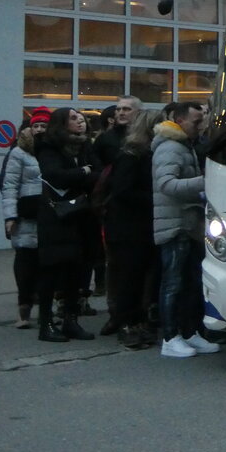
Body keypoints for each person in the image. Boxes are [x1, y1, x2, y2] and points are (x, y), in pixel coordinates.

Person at [152, 102, 219, 358]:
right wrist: (205, 181)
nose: (200, 126)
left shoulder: (183, 145)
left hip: (188, 224)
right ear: (179, 121)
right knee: (173, 283)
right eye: (196, 121)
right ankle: (170, 337)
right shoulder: (170, 147)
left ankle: (190, 332)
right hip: (175, 225)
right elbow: (167, 185)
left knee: (191, 282)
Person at [34, 107, 100, 342]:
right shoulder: (48, 146)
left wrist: (82, 173)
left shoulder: (85, 146)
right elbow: (55, 175)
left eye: (81, 119)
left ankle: (71, 320)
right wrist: (83, 171)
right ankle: (46, 323)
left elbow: (99, 173)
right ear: (61, 124)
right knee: (51, 271)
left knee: (77, 271)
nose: (80, 122)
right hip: (56, 217)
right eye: (73, 119)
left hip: (81, 215)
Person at [106, 109, 160, 350]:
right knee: (129, 278)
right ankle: (127, 324)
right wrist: (155, 199)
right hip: (128, 228)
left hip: (141, 226)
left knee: (140, 278)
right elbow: (122, 191)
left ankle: (137, 321)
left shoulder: (147, 154)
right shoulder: (131, 156)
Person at [91, 94, 142, 332]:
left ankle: (136, 314)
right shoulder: (106, 140)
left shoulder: (144, 139)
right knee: (115, 265)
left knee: (135, 267)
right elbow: (96, 169)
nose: (121, 113)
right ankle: (116, 314)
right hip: (113, 209)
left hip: (137, 211)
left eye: (127, 109)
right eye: (119, 109)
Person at [0, 108, 50, 329]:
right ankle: (24, 310)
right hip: (26, 216)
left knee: (48, 265)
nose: (39, 129)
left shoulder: (55, 151)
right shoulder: (19, 152)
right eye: (35, 125)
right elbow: (9, 186)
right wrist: (10, 216)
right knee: (26, 263)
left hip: (50, 215)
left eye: (43, 126)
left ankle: (47, 312)